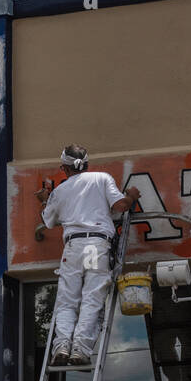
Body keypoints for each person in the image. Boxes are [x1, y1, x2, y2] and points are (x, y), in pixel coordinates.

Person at [37, 145, 140, 366]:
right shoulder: (101, 178)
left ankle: (62, 347)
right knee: (92, 299)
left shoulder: (61, 190)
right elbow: (120, 206)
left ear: (64, 168)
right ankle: (80, 350)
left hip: (73, 247)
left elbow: (48, 220)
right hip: (96, 244)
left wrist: (45, 199)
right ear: (87, 164)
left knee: (67, 301)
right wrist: (131, 196)